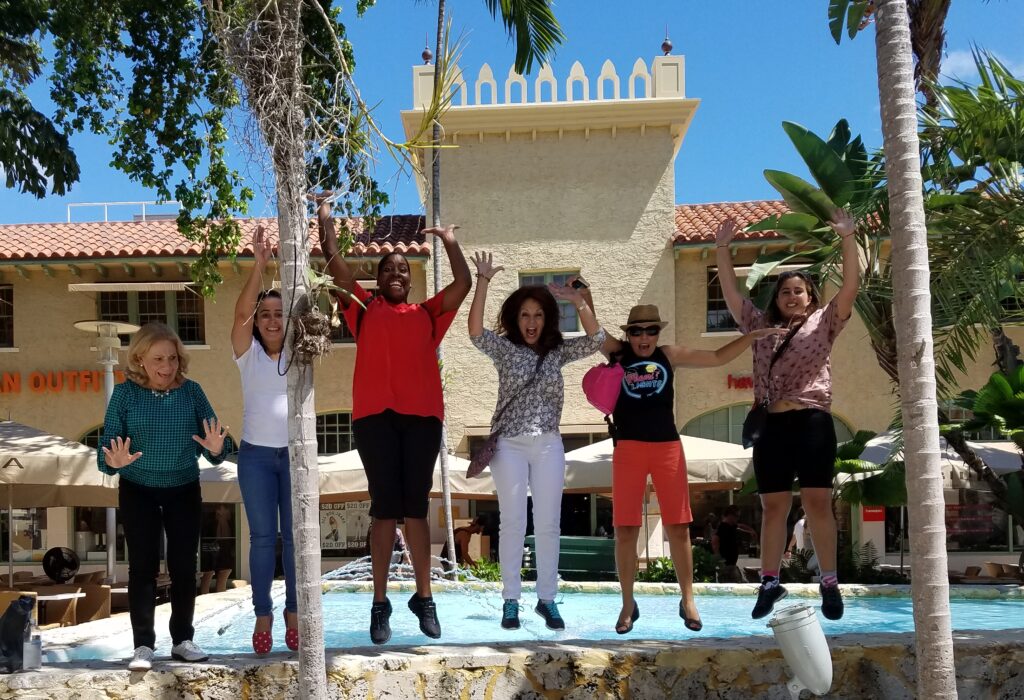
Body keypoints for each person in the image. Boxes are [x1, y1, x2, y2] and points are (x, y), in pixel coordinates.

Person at [317, 194, 471, 645]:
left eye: (404, 269)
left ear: (411, 278)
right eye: (388, 268)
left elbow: (462, 282)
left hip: (423, 419)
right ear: (379, 278)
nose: (397, 273)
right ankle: (379, 603)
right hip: (374, 420)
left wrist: (449, 242)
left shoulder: (428, 314)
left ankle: (424, 598)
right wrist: (324, 218)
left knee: (416, 510)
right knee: (385, 511)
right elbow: (333, 262)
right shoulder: (363, 309)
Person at [600, 304, 782, 634]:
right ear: (628, 334)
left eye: (651, 330)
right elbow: (592, 329)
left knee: (679, 527)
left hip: (667, 447)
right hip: (628, 449)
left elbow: (716, 358)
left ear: (658, 332)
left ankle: (688, 600)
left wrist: (752, 337)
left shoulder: (668, 355)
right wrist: (580, 299)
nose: (644, 337)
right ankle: (628, 603)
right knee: (625, 529)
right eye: (637, 331)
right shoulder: (619, 353)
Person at [715, 209, 859, 621]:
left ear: (811, 295)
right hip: (771, 425)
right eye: (784, 292)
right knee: (773, 507)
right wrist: (723, 249)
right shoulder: (758, 325)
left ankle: (829, 583)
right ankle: (770, 582)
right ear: (775, 300)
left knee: (818, 502)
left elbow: (850, 286)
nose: (792, 297)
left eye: (799, 291)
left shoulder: (825, 322)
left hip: (812, 421)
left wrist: (847, 238)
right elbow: (729, 294)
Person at [468, 252, 606, 632]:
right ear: (516, 318)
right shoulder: (505, 350)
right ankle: (510, 600)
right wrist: (483, 282)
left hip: (548, 444)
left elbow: (597, 339)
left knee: (548, 524)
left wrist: (578, 301)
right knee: (512, 522)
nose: (531, 322)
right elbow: (476, 331)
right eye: (525, 315)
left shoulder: (557, 352)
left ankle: (547, 599)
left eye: (539, 315)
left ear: (547, 319)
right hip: (509, 445)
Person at [97, 322, 229, 671]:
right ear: (140, 358)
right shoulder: (124, 394)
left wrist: (219, 448)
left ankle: (183, 640)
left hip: (183, 487)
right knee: (142, 568)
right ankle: (143, 646)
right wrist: (114, 461)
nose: (167, 367)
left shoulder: (192, 392)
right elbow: (105, 452)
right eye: (158, 359)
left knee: (185, 567)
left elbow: (217, 443)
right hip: (138, 489)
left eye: (172, 358)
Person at [230, 224, 298, 656]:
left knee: (293, 538)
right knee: (260, 539)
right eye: (266, 314)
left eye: (279, 313)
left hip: (294, 458)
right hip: (255, 457)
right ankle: (262, 614)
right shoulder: (246, 353)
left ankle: (294, 614)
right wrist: (259, 266)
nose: (272, 319)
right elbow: (238, 315)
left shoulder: (301, 351)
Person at [714, 505, 758, 583]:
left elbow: (740, 526)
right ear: (730, 515)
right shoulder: (723, 527)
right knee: (736, 582)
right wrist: (718, 555)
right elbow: (715, 540)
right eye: (737, 516)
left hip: (731, 563)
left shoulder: (731, 526)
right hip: (725, 564)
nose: (738, 519)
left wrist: (751, 531)